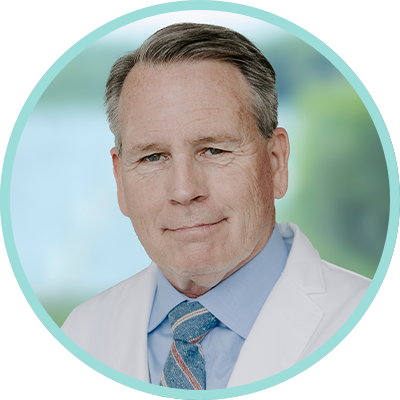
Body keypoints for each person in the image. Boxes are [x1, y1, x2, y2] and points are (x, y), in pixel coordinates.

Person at [61, 23, 371, 390]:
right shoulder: (81, 333)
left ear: (275, 162)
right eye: (153, 157)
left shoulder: (354, 311)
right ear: (120, 179)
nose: (184, 190)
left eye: (213, 150)